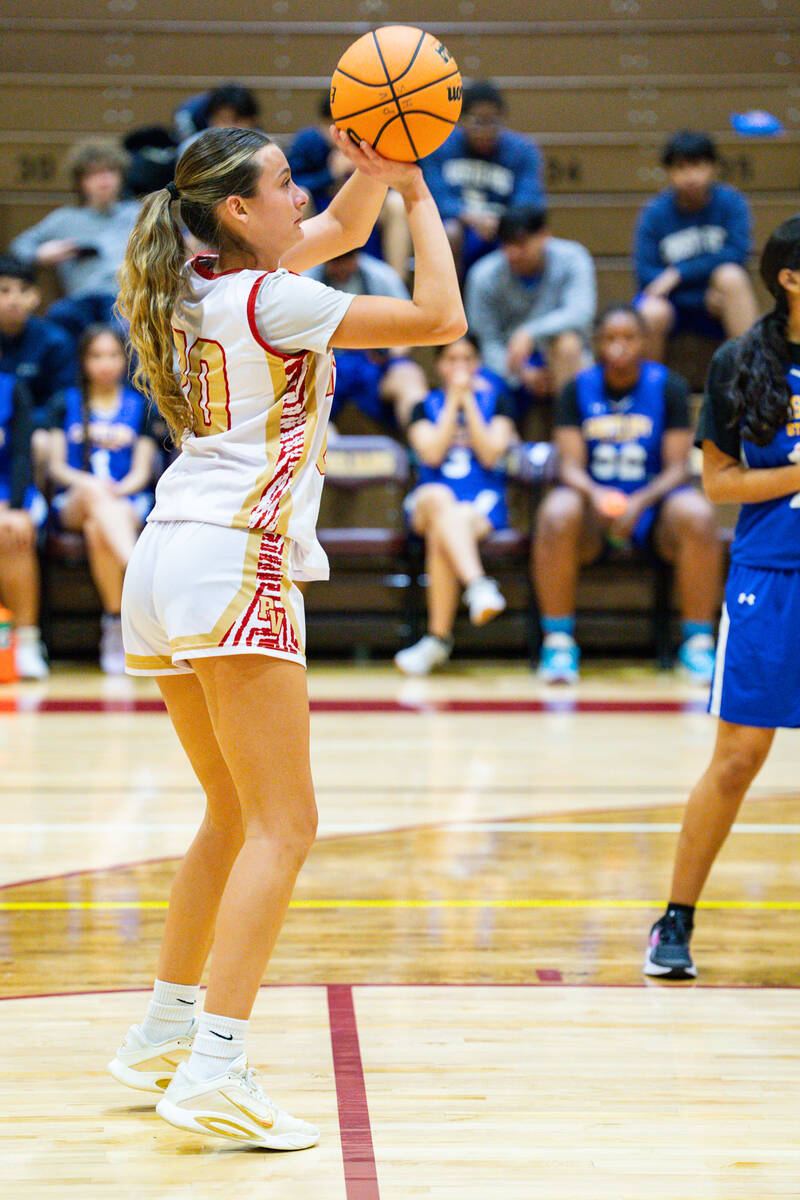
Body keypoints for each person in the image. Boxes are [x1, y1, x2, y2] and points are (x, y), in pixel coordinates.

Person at [107, 126, 465, 1148]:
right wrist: (422, 197)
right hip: (235, 557)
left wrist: (378, 173)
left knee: (230, 809)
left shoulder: (209, 284)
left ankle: (165, 1029)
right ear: (237, 208)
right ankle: (216, 1064)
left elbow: (337, 226)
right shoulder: (274, 300)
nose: (299, 190)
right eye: (282, 180)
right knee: (284, 825)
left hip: (169, 556)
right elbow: (438, 317)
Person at [644, 217, 800, 979]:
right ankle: (674, 919)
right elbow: (718, 483)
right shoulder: (744, 362)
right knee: (739, 757)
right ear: (791, 280)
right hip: (773, 577)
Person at [534, 304, 721, 684]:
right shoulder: (577, 387)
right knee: (556, 511)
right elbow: (569, 467)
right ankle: (557, 643)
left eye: (628, 338)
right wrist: (596, 494)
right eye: (610, 338)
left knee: (699, 516)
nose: (619, 347)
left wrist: (638, 502)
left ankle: (699, 645)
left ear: (645, 342)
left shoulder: (669, 386)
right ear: (598, 344)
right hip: (592, 508)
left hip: (654, 507)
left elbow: (677, 467)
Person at [395, 334, 516, 675]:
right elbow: (431, 452)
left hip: (479, 504)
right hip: (429, 500)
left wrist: (470, 404)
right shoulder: (424, 406)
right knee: (438, 498)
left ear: (478, 364)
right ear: (439, 366)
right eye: (452, 360)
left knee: (446, 527)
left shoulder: (499, 402)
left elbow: (492, 454)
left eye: (467, 360)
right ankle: (478, 585)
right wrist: (453, 402)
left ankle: (437, 639)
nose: (460, 367)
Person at [47, 326, 158, 674]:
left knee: (99, 528)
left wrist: (115, 491)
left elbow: (142, 472)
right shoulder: (64, 402)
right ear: (83, 361)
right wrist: (93, 485)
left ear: (124, 359)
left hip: (124, 500)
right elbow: (56, 468)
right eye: (96, 356)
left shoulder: (139, 406)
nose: (105, 363)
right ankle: (141, 572)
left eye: (112, 355)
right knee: (93, 500)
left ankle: (114, 626)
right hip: (74, 499)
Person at [635, 130, 759, 362]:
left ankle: (750, 375)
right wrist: (696, 295)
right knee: (650, 310)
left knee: (731, 276)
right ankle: (648, 392)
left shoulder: (731, 202)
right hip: (675, 306)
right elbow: (646, 277)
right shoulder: (654, 213)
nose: (691, 176)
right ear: (669, 172)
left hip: (716, 301)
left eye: (698, 166)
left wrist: (679, 273)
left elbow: (738, 252)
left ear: (712, 167)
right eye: (681, 168)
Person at [465, 206, 595, 419]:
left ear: (544, 236)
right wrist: (522, 374)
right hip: (507, 363)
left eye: (521, 243)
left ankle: (571, 439)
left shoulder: (573, 257)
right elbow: (485, 342)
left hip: (558, 356)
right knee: (476, 380)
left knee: (568, 345)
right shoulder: (483, 275)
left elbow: (581, 313)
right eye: (507, 244)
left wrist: (530, 332)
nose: (513, 253)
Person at [8, 138, 139, 347]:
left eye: (109, 171)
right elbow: (18, 248)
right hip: (80, 301)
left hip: (123, 299)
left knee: (126, 325)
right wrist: (41, 255)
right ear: (81, 182)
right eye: (94, 174)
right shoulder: (64, 219)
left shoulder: (137, 214)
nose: (103, 180)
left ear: (121, 176)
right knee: (56, 322)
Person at [422, 80, 545, 279]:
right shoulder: (438, 146)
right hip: (456, 227)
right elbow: (432, 197)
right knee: (449, 232)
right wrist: (470, 217)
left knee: (527, 238)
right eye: (478, 122)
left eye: (493, 122)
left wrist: (502, 220)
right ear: (461, 121)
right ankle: (451, 305)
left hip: (503, 227)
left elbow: (530, 201)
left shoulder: (523, 150)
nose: (486, 131)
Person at [288, 95, 411, 279]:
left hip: (366, 209)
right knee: (299, 199)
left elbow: (394, 183)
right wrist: (330, 175)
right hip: (321, 211)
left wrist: (364, 173)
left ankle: (395, 283)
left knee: (396, 204)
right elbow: (290, 185)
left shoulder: (372, 142)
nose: (343, 134)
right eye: (334, 127)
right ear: (323, 124)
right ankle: (295, 278)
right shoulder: (308, 141)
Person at [305, 248, 427, 429]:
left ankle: (423, 442)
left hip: (375, 363)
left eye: (345, 262)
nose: (340, 269)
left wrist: (391, 351)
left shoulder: (383, 276)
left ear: (357, 257)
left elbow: (409, 332)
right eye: (334, 263)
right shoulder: (305, 281)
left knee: (409, 376)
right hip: (322, 364)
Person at [0, 255, 77, 481]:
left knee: (41, 443)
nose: (14, 299)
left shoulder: (54, 341)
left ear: (35, 296)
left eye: (23, 290)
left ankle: (37, 510)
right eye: (4, 291)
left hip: (34, 428)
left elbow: (62, 401)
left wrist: (16, 426)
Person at [0, 370, 49, 679]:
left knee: (12, 529)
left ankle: (27, 642)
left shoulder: (11, 388)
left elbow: (21, 456)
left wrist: (14, 505)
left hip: (9, 493)